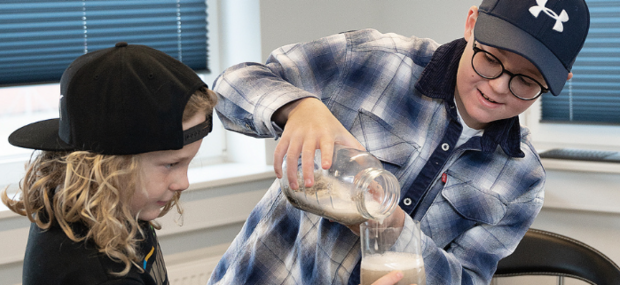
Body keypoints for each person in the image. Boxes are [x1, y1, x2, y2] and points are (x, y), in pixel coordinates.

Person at [208, 0, 590, 284]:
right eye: (491, 59)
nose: (497, 87)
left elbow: (467, 279)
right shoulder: (372, 60)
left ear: (561, 81)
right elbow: (227, 88)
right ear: (472, 23)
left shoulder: (522, 180)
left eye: (526, 82)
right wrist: (300, 108)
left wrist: (393, 229)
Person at [1, 42, 217, 285]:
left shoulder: (100, 205)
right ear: (106, 167)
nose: (183, 183)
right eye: (171, 164)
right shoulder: (100, 275)